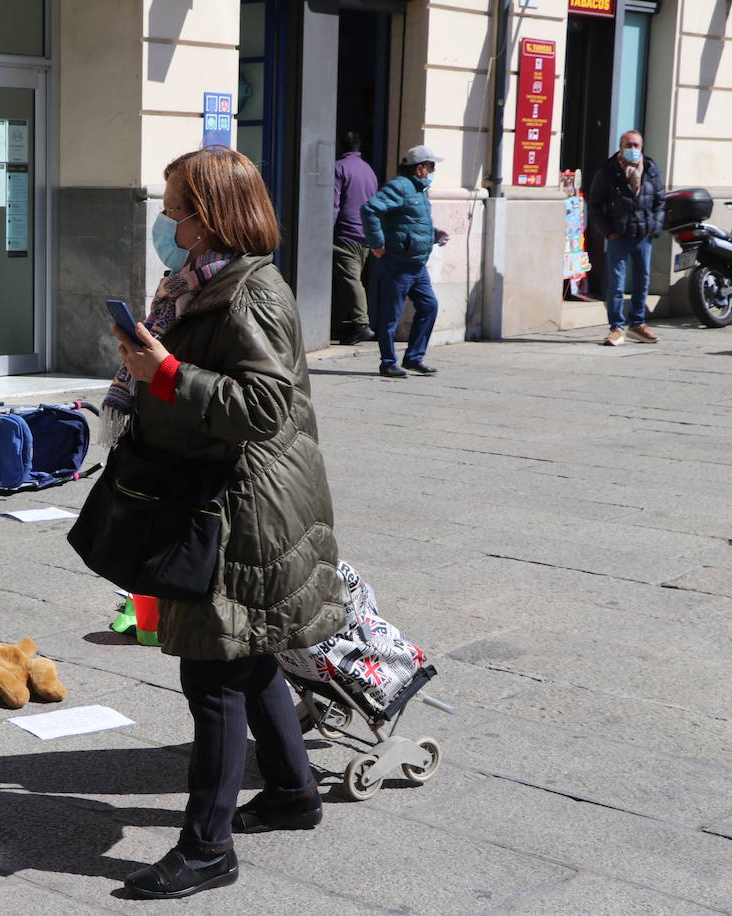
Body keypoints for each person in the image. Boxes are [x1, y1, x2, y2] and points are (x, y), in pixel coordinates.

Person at [105, 147, 343, 900]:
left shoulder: (250, 295)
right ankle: (295, 794)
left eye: (177, 208)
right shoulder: (201, 287)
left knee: (211, 672)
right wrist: (152, 363)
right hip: (235, 493)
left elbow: (266, 407)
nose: (168, 221)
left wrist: (165, 375)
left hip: (247, 506)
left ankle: (207, 849)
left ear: (209, 219)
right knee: (250, 654)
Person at [360, 145, 449, 378]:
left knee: (429, 306)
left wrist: (435, 234)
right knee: (391, 315)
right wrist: (377, 244)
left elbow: (412, 223)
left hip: (417, 265)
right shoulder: (399, 186)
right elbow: (369, 209)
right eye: (431, 166)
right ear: (419, 168)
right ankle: (388, 362)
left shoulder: (419, 189)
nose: (433, 170)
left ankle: (414, 358)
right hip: (398, 263)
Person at [589, 130, 664, 346]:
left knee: (642, 282)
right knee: (617, 284)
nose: (632, 149)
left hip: (643, 235)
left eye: (636, 145)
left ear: (642, 147)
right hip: (618, 235)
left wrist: (654, 228)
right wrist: (608, 232)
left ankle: (638, 325)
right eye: (628, 145)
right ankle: (616, 328)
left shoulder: (650, 168)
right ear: (620, 147)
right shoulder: (608, 171)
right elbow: (595, 206)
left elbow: (660, 200)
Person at [331, 132, 379, 345]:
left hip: (346, 234)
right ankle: (339, 325)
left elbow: (334, 203)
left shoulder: (338, 168)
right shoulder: (368, 170)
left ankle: (361, 323)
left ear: (340, 146)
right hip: (364, 235)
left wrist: (323, 232)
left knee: (350, 280)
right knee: (345, 281)